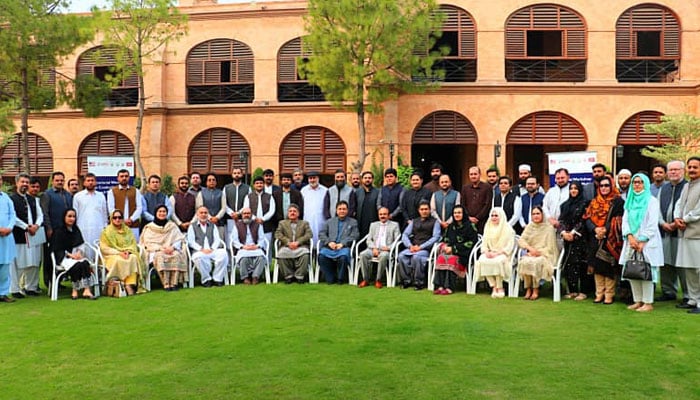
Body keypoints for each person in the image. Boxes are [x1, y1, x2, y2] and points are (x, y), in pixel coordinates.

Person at [620, 173, 663, 312]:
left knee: (646, 272)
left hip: (647, 242)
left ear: (645, 183)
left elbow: (652, 223)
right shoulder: (630, 200)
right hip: (631, 241)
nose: (637, 184)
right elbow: (625, 221)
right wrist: (630, 237)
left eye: (640, 182)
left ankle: (648, 302)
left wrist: (642, 240)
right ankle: (637, 300)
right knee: (633, 271)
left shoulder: (651, 201)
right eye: (635, 182)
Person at [583, 176, 624, 304]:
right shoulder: (594, 201)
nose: (604, 188)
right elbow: (587, 218)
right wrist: (596, 229)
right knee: (596, 267)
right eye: (601, 186)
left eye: (607, 185)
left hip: (610, 239)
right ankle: (599, 293)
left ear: (611, 186)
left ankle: (609, 295)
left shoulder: (618, 201)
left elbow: (617, 219)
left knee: (608, 267)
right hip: (595, 238)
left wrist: (604, 230)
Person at [657, 160, 688, 303]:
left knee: (683, 265)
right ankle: (668, 291)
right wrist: (663, 223)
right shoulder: (664, 188)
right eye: (671, 170)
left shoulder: (688, 187)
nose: (673, 172)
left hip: (682, 233)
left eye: (676, 169)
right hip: (664, 231)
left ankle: (688, 295)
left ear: (683, 171)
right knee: (666, 263)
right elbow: (657, 208)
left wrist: (675, 224)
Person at [50, 208, 97, 300]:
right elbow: (57, 248)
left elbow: (81, 244)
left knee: (84, 263)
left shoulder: (76, 229)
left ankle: (86, 290)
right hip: (64, 258)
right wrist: (71, 255)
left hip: (76, 256)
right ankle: (75, 290)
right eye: (69, 216)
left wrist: (79, 253)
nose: (72, 219)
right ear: (64, 217)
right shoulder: (59, 231)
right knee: (76, 265)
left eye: (74, 216)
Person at [10, 174, 44, 298]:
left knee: (34, 262)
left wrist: (36, 225)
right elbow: (12, 217)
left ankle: (31, 287)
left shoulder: (34, 199)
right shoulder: (11, 199)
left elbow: (40, 215)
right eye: (22, 182)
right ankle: (15, 289)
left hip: (35, 234)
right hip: (19, 235)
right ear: (17, 183)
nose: (25, 184)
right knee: (19, 263)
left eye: (26, 182)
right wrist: (26, 227)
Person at [140, 205, 187, 291]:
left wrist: (172, 247)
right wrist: (161, 248)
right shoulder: (150, 227)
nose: (162, 213)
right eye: (160, 211)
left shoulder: (172, 226)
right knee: (161, 256)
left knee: (176, 255)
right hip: (156, 250)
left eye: (164, 211)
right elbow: (147, 242)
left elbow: (179, 239)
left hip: (171, 249)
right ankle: (166, 283)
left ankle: (174, 283)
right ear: (155, 213)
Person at [674, 156, 700, 314]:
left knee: (699, 269)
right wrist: (677, 218)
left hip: (697, 234)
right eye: (689, 167)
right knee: (689, 269)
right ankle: (692, 299)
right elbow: (679, 204)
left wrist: (684, 219)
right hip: (684, 233)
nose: (691, 170)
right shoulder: (686, 186)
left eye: (695, 167)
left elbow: (698, 210)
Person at [558, 181, 592, 300]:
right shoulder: (565, 205)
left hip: (581, 238)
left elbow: (583, 221)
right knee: (570, 264)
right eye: (571, 188)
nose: (573, 191)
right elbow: (561, 221)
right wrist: (564, 233)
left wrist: (573, 233)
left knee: (582, 264)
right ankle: (572, 290)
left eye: (576, 189)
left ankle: (583, 291)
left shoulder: (585, 204)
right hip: (568, 239)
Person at [433, 205, 478, 295]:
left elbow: (472, 242)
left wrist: (454, 249)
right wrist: (444, 246)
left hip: (464, 253)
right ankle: (440, 286)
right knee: (441, 257)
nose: (457, 215)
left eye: (459, 213)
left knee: (452, 259)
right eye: (455, 213)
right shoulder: (451, 226)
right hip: (450, 251)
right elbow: (445, 239)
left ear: (463, 214)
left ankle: (450, 287)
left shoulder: (470, 226)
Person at [100, 209, 146, 296]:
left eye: (120, 217)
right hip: (111, 255)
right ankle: (119, 283)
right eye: (115, 218)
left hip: (126, 253)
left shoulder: (127, 230)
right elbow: (104, 248)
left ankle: (128, 284)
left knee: (133, 258)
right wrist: (118, 252)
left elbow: (133, 243)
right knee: (119, 260)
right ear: (111, 219)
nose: (117, 219)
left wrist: (128, 251)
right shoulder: (106, 232)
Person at [517, 206, 559, 300]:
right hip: (532, 252)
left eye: (538, 214)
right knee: (524, 261)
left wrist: (538, 253)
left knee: (535, 262)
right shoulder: (530, 227)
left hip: (546, 255)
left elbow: (550, 247)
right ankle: (528, 289)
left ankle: (535, 289)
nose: (535, 216)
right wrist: (529, 249)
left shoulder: (549, 228)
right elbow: (521, 240)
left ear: (542, 215)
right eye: (533, 214)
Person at [474, 207, 516, 298]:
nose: (493, 217)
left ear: (501, 216)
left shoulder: (508, 229)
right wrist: (486, 251)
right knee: (482, 260)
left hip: (503, 254)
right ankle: (493, 286)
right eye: (492, 215)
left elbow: (510, 245)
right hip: (490, 253)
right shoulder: (488, 226)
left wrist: (498, 253)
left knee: (498, 261)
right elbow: (484, 243)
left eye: (496, 215)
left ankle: (500, 287)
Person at [398, 200, 440, 290]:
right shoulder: (414, 221)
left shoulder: (435, 222)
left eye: (426, 209)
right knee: (401, 256)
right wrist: (410, 246)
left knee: (416, 257)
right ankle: (407, 280)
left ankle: (419, 282)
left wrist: (421, 247)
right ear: (419, 210)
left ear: (429, 210)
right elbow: (405, 234)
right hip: (413, 247)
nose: (424, 211)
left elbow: (436, 237)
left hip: (426, 250)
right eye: (422, 209)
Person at [41, 171, 73, 286]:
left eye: (61, 180)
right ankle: (49, 282)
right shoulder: (47, 194)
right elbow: (44, 213)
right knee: (50, 257)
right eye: (57, 180)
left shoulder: (67, 195)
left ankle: (59, 282)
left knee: (62, 256)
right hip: (52, 231)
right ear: (53, 181)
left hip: (65, 232)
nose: (60, 182)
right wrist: (48, 228)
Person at [357, 207, 401, 289]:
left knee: (383, 256)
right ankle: (365, 279)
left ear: (388, 215)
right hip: (373, 249)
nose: (382, 216)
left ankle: (378, 279)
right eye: (380, 214)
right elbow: (369, 239)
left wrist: (388, 248)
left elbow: (397, 240)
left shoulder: (394, 225)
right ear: (378, 215)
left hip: (386, 250)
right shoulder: (373, 225)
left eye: (384, 214)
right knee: (363, 254)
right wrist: (373, 248)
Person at [187, 206, 229, 287]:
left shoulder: (213, 225)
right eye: (201, 213)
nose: (203, 215)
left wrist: (212, 248)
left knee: (223, 253)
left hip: (212, 250)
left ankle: (217, 278)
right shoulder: (192, 226)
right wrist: (201, 249)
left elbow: (217, 239)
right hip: (199, 251)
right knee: (198, 258)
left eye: (205, 213)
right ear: (197, 214)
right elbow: (191, 241)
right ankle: (206, 279)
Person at [318, 201, 359, 284]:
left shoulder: (353, 222)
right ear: (336, 210)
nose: (342, 211)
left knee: (343, 257)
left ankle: (340, 278)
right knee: (322, 256)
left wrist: (342, 244)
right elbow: (321, 233)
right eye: (340, 209)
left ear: (347, 210)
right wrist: (329, 242)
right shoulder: (329, 221)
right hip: (330, 247)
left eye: (344, 209)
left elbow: (355, 235)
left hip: (343, 248)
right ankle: (330, 277)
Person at [73, 173, 108, 259]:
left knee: (98, 251)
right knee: (84, 250)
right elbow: (75, 213)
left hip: (98, 228)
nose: (90, 183)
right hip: (83, 228)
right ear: (84, 183)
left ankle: (97, 271)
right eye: (88, 181)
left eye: (92, 180)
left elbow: (104, 213)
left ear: (95, 182)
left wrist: (105, 227)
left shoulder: (101, 196)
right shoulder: (78, 196)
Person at [275, 204, 312, 284]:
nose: (292, 213)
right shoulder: (282, 223)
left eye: (294, 211)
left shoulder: (304, 223)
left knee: (305, 254)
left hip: (301, 246)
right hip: (287, 246)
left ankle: (299, 276)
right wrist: (288, 242)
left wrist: (298, 242)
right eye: (290, 211)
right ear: (288, 213)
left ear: (298, 213)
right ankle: (288, 276)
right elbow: (278, 234)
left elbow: (309, 234)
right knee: (281, 254)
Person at [231, 207, 266, 285]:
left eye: (248, 213)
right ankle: (245, 278)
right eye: (244, 213)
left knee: (261, 258)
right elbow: (235, 240)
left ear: (251, 215)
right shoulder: (237, 225)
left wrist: (257, 246)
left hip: (255, 248)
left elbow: (262, 239)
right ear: (242, 215)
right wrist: (243, 247)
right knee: (243, 259)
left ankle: (255, 277)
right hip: (243, 248)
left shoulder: (257, 225)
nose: (246, 215)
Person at [243, 176, 276, 259]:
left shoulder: (269, 196)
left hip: (266, 226)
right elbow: (246, 209)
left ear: (263, 184)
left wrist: (263, 219)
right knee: (253, 247)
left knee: (267, 247)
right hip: (252, 225)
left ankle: (267, 267)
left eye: (261, 183)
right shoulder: (248, 197)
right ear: (254, 185)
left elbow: (272, 210)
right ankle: (253, 268)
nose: (259, 185)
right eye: (257, 183)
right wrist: (254, 218)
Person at [107, 169, 142, 240]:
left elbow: (139, 207)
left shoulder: (136, 191)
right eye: (122, 176)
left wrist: (131, 219)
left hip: (133, 225)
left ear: (129, 177)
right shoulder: (112, 191)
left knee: (134, 247)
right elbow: (111, 208)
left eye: (126, 176)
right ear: (118, 178)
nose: (124, 178)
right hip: (117, 225)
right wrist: (121, 220)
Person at [0, 175, 17, 303]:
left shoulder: (6, 198)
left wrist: (9, 228)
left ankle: (3, 293)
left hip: (7, 237)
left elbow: (13, 215)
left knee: (5, 266)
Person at [195, 172, 227, 240]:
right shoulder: (201, 193)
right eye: (209, 180)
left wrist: (217, 218)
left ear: (216, 182)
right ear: (206, 182)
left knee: (219, 243)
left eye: (213, 180)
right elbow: (200, 207)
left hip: (219, 223)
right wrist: (210, 218)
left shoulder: (221, 193)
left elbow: (224, 208)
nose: (211, 182)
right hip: (205, 222)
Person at [461, 166, 492, 234]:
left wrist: (478, 218)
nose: (473, 176)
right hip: (468, 221)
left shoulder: (487, 187)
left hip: (482, 221)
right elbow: (463, 204)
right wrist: (468, 217)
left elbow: (487, 204)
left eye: (475, 174)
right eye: (471, 174)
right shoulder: (465, 188)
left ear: (479, 174)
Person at [224, 167, 251, 243]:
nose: (237, 175)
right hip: (229, 218)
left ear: (242, 174)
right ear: (232, 175)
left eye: (238, 173)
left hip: (242, 218)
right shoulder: (226, 188)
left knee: (242, 237)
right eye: (235, 173)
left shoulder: (247, 188)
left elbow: (247, 203)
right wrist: (231, 213)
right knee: (229, 239)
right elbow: (224, 203)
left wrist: (238, 213)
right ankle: (230, 254)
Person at [301, 171, 328, 244]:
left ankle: (319, 251)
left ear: (318, 179)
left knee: (320, 235)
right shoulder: (303, 190)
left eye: (314, 178)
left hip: (321, 218)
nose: (312, 180)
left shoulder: (325, 190)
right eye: (310, 178)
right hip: (307, 218)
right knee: (308, 236)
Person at [355, 170, 379, 239]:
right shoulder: (357, 192)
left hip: (373, 221)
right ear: (362, 179)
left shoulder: (378, 192)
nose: (367, 180)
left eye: (369, 178)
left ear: (372, 179)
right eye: (365, 178)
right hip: (360, 222)